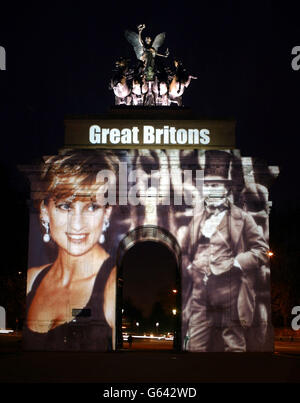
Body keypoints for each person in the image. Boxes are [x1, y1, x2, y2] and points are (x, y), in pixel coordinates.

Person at [23, 150, 119, 351]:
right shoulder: (33, 279)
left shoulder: (111, 287)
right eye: (65, 206)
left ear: (107, 212)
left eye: (92, 207)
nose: (77, 225)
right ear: (44, 211)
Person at [182, 150, 269, 352]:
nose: (210, 190)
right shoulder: (197, 219)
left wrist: (239, 262)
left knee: (234, 343)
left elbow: (262, 250)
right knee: (196, 345)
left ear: (225, 189)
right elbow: (185, 250)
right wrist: (190, 268)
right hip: (201, 292)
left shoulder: (242, 218)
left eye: (215, 185)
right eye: (207, 186)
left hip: (231, 288)